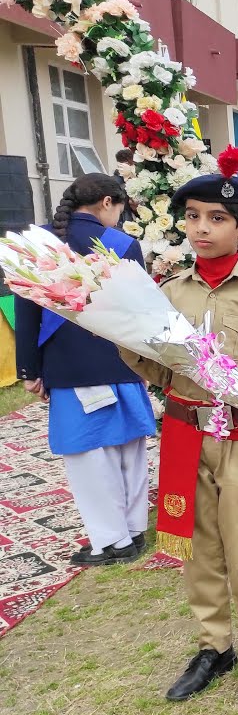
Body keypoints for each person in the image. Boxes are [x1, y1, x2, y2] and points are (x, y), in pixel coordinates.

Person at [116, 147, 238, 702]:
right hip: (184, 435)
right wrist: (124, 341)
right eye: (193, 216)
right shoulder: (169, 295)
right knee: (196, 546)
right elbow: (156, 367)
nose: (202, 228)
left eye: (217, 218)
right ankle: (213, 645)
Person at [15, 173, 154, 567]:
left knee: (88, 456)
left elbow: (27, 311)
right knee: (130, 450)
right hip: (120, 361)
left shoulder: (38, 243)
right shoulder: (124, 244)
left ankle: (110, 542)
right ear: (108, 202)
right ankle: (133, 529)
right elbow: (138, 309)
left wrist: (30, 368)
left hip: (68, 365)